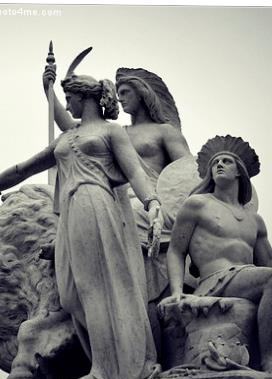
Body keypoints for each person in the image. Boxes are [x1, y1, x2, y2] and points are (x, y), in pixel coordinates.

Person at [0, 67, 161, 379]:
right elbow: (21, 169)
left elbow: (135, 172)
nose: (67, 107)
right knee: (74, 294)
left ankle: (104, 372)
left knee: (96, 287)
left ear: (84, 97)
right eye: (64, 100)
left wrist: (153, 203)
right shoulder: (68, 138)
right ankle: (104, 363)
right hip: (71, 213)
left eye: (69, 99)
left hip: (96, 203)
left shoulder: (110, 132)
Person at [43, 65, 192, 356]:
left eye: (126, 92)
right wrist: (48, 90)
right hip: (116, 199)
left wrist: (158, 204)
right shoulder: (112, 131)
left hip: (152, 199)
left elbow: (187, 173)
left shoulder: (165, 132)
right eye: (119, 93)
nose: (121, 99)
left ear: (143, 94)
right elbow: (71, 128)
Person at [159, 135, 272, 376]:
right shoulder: (197, 204)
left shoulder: (255, 221)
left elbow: (270, 267)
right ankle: (268, 361)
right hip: (214, 282)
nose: (219, 165)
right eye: (215, 163)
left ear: (239, 173)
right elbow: (176, 250)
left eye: (226, 161)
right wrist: (178, 291)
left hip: (245, 280)